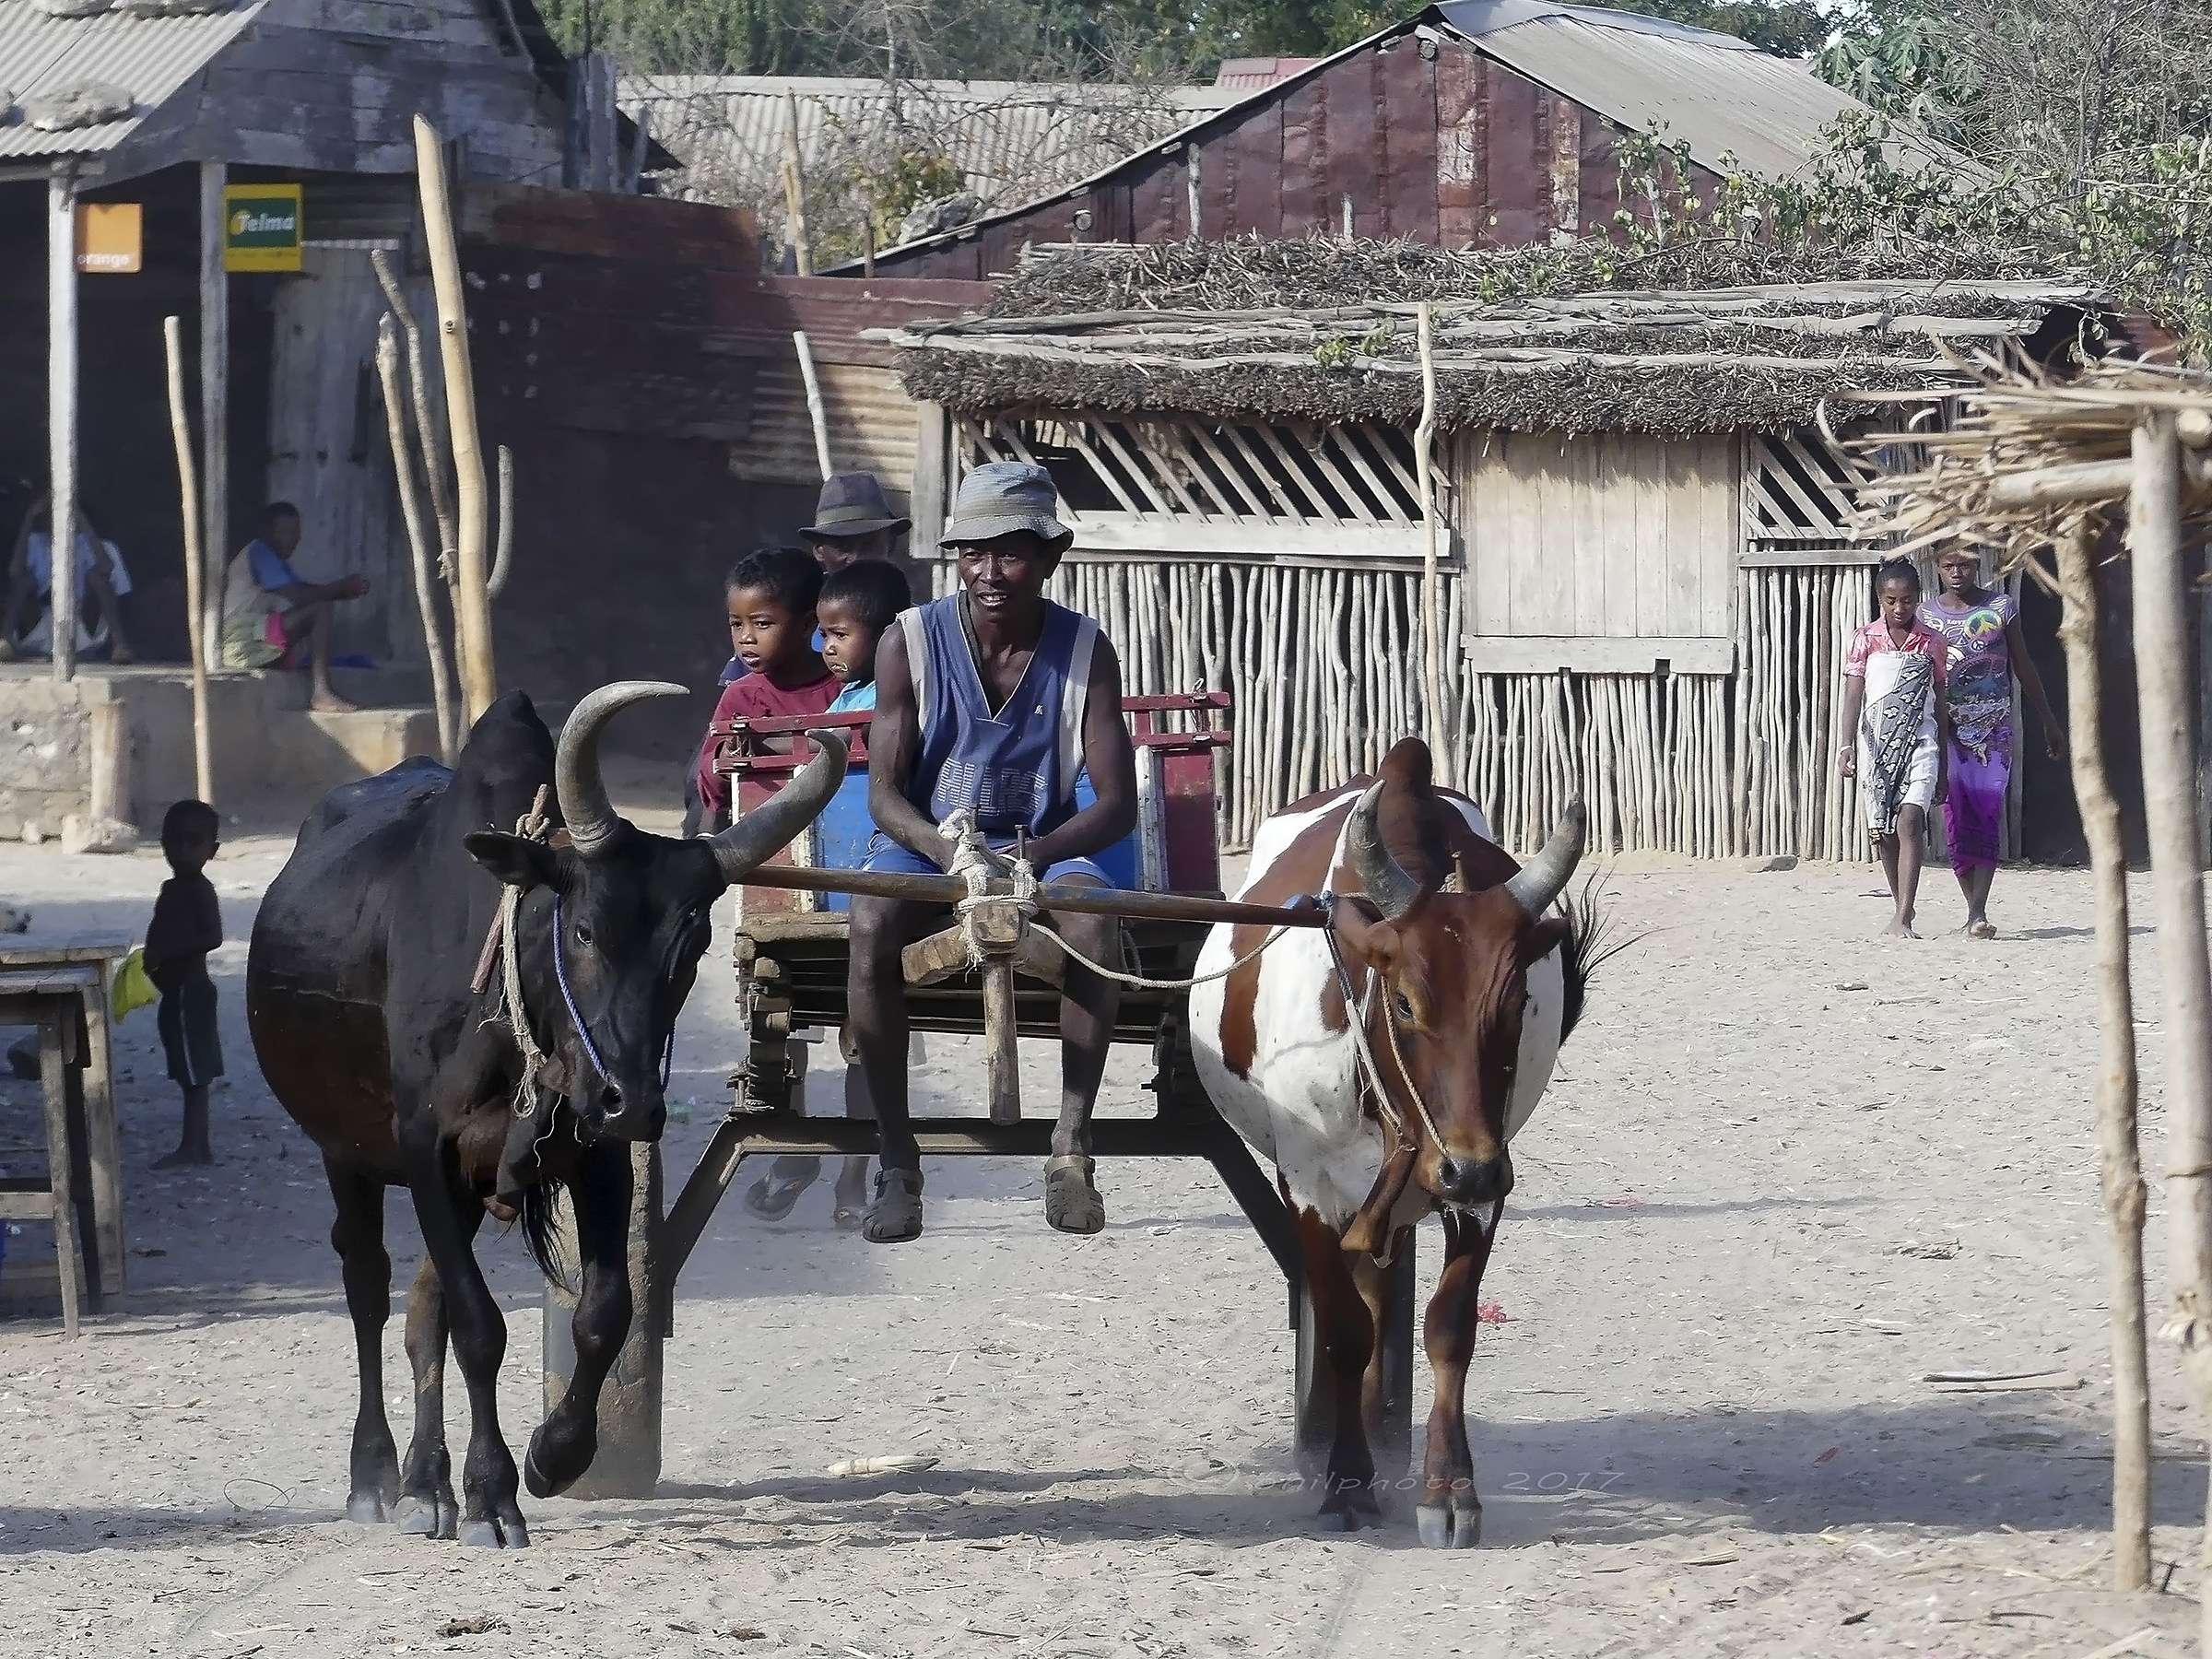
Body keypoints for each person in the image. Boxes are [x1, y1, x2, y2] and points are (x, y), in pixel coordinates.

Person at [849, 461, 1136, 1243]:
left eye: (1009, 553)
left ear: (1050, 557)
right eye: (973, 553)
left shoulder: (1086, 651)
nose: (989, 572)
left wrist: (1031, 855)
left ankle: (1071, 1146)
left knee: (1094, 924)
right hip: (927, 846)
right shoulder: (908, 642)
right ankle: (897, 1159)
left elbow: (1115, 805)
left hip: (1043, 842)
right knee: (870, 923)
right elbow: (884, 796)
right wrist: (948, 854)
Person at [740, 558, 913, 1230]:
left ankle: (853, 1174)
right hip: (830, 888)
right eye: (823, 632)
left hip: (884, 887)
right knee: (811, 1035)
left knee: (863, 1044)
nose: (825, 646)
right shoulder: (835, 700)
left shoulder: (907, 694)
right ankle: (803, 1155)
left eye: (838, 634)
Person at [1923, 548, 2065, 938]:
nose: (1957, 572)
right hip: (1946, 730)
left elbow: (2023, 665)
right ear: (1937, 568)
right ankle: (1973, 909)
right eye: (1949, 566)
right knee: (1954, 815)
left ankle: (1978, 910)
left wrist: (2049, 721)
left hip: (1993, 731)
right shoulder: (1926, 616)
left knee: (1987, 812)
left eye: (1965, 565)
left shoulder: (2001, 608)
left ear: (1977, 565)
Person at [1840, 557, 1952, 939]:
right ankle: (1901, 901)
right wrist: (1846, 745)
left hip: (1921, 741)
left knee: (1909, 821)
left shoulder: (1933, 642)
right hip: (1877, 744)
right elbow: (1853, 696)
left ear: (1918, 598)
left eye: (1907, 600)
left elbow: (1939, 701)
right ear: (1880, 600)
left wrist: (1944, 764)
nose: (1899, 608)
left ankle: (1904, 916)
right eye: (1891, 601)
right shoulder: (1865, 639)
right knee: (1884, 831)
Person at [693, 547, 841, 833]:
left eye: (762, 624)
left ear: (808, 624)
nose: (746, 638)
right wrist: (727, 756)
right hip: (763, 840)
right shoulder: (741, 696)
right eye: (736, 624)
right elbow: (711, 791)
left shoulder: (846, 686)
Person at [219, 502, 370, 712]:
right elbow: (300, 597)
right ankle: (321, 692)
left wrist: (342, 592)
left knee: (317, 610)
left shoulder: (275, 561)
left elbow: (303, 590)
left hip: (253, 639)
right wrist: (340, 587)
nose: (291, 539)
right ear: (266, 532)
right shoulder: (260, 552)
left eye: (295, 533)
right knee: (320, 610)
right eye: (283, 532)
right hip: (240, 640)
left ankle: (321, 690)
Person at [145, 799, 223, 1168]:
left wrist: (165, 953)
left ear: (212, 850)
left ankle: (196, 1146)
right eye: (175, 841)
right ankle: (194, 1145)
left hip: (191, 995)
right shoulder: (173, 888)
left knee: (195, 1076)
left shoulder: (200, 889)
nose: (184, 851)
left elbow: (213, 937)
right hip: (175, 996)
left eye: (195, 842)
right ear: (162, 843)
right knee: (185, 1070)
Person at [2, 490, 135, 663]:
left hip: (82, 621)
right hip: (40, 622)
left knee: (97, 578)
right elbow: (15, 572)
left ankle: (120, 645)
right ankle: (5, 640)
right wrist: (29, 517)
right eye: (50, 513)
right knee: (24, 581)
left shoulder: (90, 543)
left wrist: (82, 521)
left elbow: (106, 568)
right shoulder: (35, 541)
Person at [800, 472, 911, 574]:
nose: (856, 559)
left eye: (868, 545)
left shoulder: (903, 589)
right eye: (843, 547)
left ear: (891, 544)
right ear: (819, 550)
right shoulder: (802, 589)